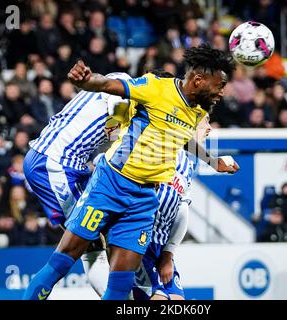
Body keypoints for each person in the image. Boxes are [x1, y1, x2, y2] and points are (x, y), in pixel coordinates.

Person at [23, 44, 238, 301]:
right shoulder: (156, 87)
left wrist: (212, 162)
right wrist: (86, 80)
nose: (222, 92)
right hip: (110, 185)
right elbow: (108, 86)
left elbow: (180, 137)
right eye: (219, 85)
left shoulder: (198, 109)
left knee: (121, 284)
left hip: (144, 200)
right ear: (198, 80)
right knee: (63, 261)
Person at [23, 70, 134, 298]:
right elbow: (117, 111)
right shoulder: (124, 84)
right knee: (82, 244)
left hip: (61, 162)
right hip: (55, 163)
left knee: (92, 240)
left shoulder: (114, 87)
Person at [134, 112, 212, 300]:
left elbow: (182, 210)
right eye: (205, 121)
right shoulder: (159, 148)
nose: (209, 128)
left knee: (177, 299)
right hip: (140, 239)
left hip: (161, 247)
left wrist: (168, 254)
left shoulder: (188, 163)